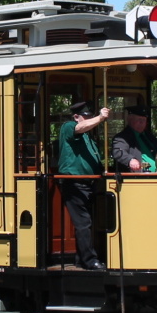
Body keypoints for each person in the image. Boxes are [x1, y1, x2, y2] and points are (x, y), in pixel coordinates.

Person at [56, 100, 110, 270]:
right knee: (83, 223)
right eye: (85, 117)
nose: (88, 120)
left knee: (89, 222)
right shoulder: (68, 127)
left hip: (89, 183)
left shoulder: (88, 136)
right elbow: (79, 128)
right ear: (76, 117)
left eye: (90, 117)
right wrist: (100, 118)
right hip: (74, 183)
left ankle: (81, 259)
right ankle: (89, 260)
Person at [111, 105, 157, 173]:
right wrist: (130, 160)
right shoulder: (122, 137)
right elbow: (118, 152)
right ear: (130, 119)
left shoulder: (149, 136)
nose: (142, 123)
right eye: (139, 120)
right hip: (136, 177)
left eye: (144, 120)